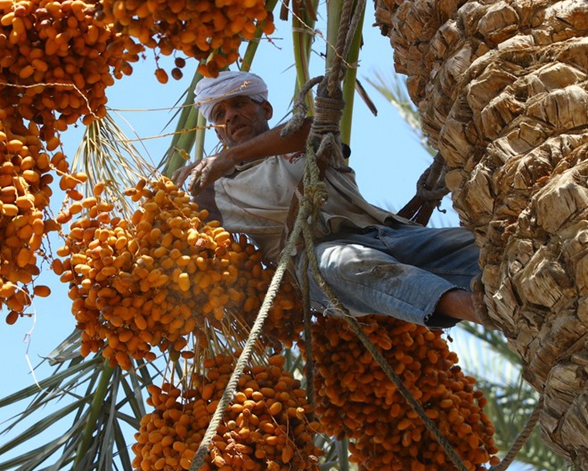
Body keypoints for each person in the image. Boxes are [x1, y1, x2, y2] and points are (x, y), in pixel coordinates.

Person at [172, 71, 487, 329]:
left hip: (391, 233)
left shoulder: (298, 135)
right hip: (317, 259)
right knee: (343, 264)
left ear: (265, 110)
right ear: (215, 129)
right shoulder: (214, 189)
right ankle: (476, 309)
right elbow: (184, 239)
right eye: (220, 114)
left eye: (239, 104)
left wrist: (228, 158)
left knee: (481, 250)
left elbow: (314, 130)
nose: (231, 116)